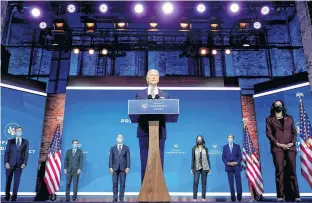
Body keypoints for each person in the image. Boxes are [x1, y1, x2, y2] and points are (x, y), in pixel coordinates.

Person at [135, 69, 169, 183]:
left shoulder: (165, 94)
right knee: (145, 162)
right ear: (147, 78)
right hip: (144, 131)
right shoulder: (140, 94)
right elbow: (136, 111)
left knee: (159, 162)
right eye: (151, 75)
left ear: (158, 79)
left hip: (159, 132)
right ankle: (144, 193)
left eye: (156, 75)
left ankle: (158, 191)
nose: (154, 77)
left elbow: (169, 112)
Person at [266, 100, 301, 202]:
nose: (278, 106)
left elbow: (294, 132)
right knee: (279, 172)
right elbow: (269, 134)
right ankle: (280, 196)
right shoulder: (269, 119)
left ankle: (296, 195)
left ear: (282, 106)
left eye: (280, 105)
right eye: (276, 105)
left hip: (290, 147)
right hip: (277, 148)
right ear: (274, 107)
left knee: (292, 171)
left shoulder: (289, 118)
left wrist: (292, 143)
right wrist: (278, 144)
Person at [4, 126, 29, 201]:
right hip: (10, 164)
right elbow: (6, 153)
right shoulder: (10, 141)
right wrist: (6, 162)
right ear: (15, 132)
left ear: (22, 132)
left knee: (16, 181)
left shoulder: (25, 142)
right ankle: (7, 196)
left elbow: (26, 153)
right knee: (8, 181)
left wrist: (24, 163)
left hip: (19, 165)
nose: (19, 132)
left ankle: (14, 197)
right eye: (18, 131)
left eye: (20, 131)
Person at [109, 134, 130, 202]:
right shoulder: (112, 148)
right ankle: (115, 198)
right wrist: (110, 167)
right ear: (116, 139)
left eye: (121, 137)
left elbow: (128, 158)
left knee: (122, 184)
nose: (119, 138)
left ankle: (121, 198)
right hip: (114, 168)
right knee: (115, 183)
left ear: (123, 139)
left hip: (123, 169)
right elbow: (110, 158)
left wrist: (128, 167)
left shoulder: (126, 148)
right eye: (118, 137)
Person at [222, 134, 242, 202]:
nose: (230, 139)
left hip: (236, 166)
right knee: (231, 184)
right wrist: (227, 163)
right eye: (229, 138)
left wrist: (236, 162)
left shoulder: (237, 146)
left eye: (231, 137)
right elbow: (223, 157)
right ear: (227, 139)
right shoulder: (225, 147)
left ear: (233, 139)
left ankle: (239, 198)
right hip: (229, 167)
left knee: (238, 183)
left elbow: (240, 156)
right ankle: (233, 199)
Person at [191, 135, 211, 201]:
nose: (199, 140)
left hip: (205, 167)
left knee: (204, 183)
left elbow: (208, 158)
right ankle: (194, 197)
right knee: (195, 182)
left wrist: (209, 168)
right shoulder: (194, 148)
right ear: (196, 140)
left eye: (200, 139)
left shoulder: (206, 148)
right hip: (196, 167)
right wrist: (191, 168)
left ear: (202, 140)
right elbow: (193, 159)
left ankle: (203, 197)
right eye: (198, 139)